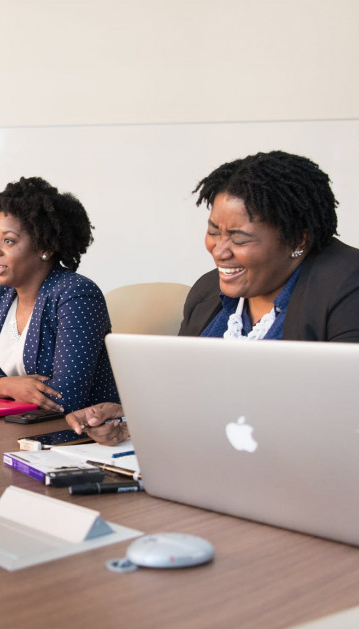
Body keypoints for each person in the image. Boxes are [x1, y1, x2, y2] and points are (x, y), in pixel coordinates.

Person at [67, 150, 359, 443]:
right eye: (213, 232)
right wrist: (133, 419)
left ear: (299, 239)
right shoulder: (208, 291)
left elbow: (345, 414)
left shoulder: (346, 284)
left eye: (239, 238)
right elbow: (181, 394)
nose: (219, 251)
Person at [0, 176, 119, 413]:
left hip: (74, 436)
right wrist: (8, 385)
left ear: (45, 247)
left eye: (9, 241)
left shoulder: (76, 294)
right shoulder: (0, 294)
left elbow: (63, 398)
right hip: (12, 428)